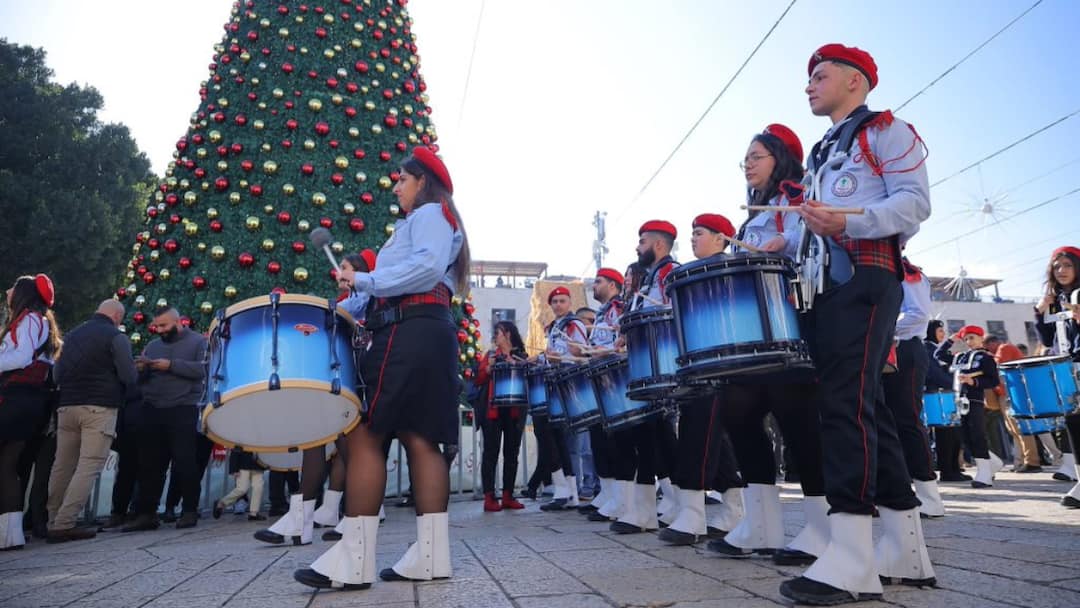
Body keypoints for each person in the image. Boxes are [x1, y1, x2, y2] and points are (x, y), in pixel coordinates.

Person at [779, 44, 934, 605]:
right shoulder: (825, 148)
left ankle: (851, 557)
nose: (809, 85)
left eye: (820, 75)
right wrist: (787, 240)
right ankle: (905, 551)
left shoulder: (888, 131)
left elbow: (914, 204)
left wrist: (850, 221)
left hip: (866, 275)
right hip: (831, 282)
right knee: (866, 407)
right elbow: (816, 225)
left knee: (845, 407)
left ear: (855, 80)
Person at [294, 146, 469, 590]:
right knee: (421, 437)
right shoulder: (433, 220)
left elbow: (424, 269)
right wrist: (337, 308)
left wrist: (365, 279)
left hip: (407, 331)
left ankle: (353, 560)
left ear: (423, 182)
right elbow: (392, 288)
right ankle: (431, 556)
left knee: (365, 434)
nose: (396, 187)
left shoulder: (429, 215)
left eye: (402, 179)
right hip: (427, 329)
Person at [702, 127, 826, 561]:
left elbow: (810, 240)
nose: (749, 165)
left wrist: (783, 242)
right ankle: (761, 524)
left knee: (798, 423)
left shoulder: (796, 196)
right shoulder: (753, 214)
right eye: (746, 159)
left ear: (780, 157)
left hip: (787, 326)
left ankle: (821, 527)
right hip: (750, 334)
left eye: (756, 156)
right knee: (738, 415)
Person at [255, 250, 374, 546]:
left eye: (345, 268)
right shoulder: (347, 301)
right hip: (335, 376)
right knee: (316, 437)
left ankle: (355, 516)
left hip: (358, 377)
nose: (339, 273)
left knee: (351, 446)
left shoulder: (368, 295)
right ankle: (302, 518)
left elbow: (352, 319)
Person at [659, 213, 747, 547]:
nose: (693, 239)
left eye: (700, 233)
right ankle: (734, 509)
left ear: (722, 238)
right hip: (699, 361)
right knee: (714, 435)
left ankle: (693, 514)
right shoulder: (692, 272)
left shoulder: (726, 270)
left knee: (699, 430)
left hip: (717, 361)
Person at [610, 220, 679, 535]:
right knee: (648, 436)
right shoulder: (651, 278)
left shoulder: (669, 272)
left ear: (658, 245)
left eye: (642, 242)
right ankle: (647, 510)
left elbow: (671, 312)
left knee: (663, 438)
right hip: (648, 365)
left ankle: (685, 506)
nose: (637, 248)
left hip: (664, 364)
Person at [46, 299, 135, 542]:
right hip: (99, 408)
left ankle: (52, 519)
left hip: (67, 407)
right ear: (116, 316)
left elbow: (56, 374)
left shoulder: (72, 335)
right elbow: (128, 376)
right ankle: (65, 523)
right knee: (89, 465)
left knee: (62, 465)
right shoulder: (115, 337)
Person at [123, 308, 209, 532]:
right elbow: (140, 380)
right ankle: (147, 513)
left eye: (164, 325)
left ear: (178, 322)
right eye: (157, 326)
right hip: (153, 407)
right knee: (150, 464)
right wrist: (142, 369)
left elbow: (204, 370)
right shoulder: (153, 346)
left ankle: (189, 510)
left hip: (184, 407)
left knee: (185, 461)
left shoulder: (198, 342)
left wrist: (170, 365)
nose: (160, 330)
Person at [0, 274, 61, 550]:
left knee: (7, 466)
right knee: (7, 466)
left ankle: (10, 535)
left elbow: (21, 357)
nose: (8, 291)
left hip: (15, 399)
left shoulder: (30, 320)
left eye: (13, 287)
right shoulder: (40, 321)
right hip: (27, 401)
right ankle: (10, 536)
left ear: (23, 293)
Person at [881, 258, 945, 517]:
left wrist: (877, 325)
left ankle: (929, 496)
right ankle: (894, 490)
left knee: (907, 420)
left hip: (905, 349)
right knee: (883, 421)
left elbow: (918, 313)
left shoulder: (907, 272)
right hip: (880, 348)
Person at [1034, 246, 1080, 506]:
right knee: (1073, 423)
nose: (1061, 270)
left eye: (1068, 265)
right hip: (1066, 367)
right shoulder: (1056, 299)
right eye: (1057, 266)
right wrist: (1039, 313)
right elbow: (1047, 339)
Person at [579, 268, 625, 520]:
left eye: (598, 281)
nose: (594, 285)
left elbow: (620, 343)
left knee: (614, 441)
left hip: (614, 381)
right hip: (602, 380)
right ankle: (608, 493)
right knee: (600, 441)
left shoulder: (617, 308)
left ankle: (620, 498)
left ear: (612, 285)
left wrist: (598, 351)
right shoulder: (602, 313)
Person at [538, 286, 588, 511]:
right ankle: (569, 492)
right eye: (555, 301)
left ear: (569, 302)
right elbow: (551, 354)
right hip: (555, 382)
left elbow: (581, 353)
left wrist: (566, 355)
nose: (558, 305)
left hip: (568, 384)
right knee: (556, 437)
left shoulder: (574, 324)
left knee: (562, 438)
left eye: (562, 300)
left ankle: (567, 490)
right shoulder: (554, 327)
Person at [473, 321, 528, 512]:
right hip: (493, 410)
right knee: (490, 453)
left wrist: (519, 364)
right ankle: (489, 497)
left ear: (508, 334)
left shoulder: (521, 356)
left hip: (514, 411)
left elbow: (527, 377)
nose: (495, 337)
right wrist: (488, 369)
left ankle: (507, 496)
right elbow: (478, 379)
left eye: (498, 333)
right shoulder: (490, 356)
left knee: (512, 453)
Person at [940, 325, 1001, 488]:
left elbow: (993, 380)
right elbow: (938, 354)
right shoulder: (960, 357)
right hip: (958, 401)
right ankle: (992, 463)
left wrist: (974, 381)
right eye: (966, 338)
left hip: (974, 400)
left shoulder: (985, 358)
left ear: (981, 338)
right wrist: (950, 341)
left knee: (976, 434)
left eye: (972, 337)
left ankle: (984, 473)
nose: (969, 341)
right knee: (964, 437)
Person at [214, 450, 267, 521]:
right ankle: (222, 502)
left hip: (258, 464)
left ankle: (253, 513)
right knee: (242, 488)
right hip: (243, 463)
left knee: (258, 488)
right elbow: (235, 449)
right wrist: (234, 469)